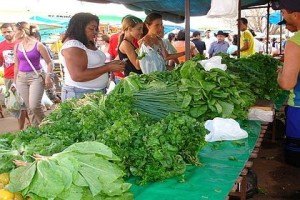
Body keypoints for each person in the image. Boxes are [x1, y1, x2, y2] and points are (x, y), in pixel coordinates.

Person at [60, 12, 125, 101]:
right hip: (80, 94)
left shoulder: (86, 41)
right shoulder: (73, 46)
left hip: (93, 93)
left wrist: (111, 64)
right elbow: (78, 76)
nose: (95, 32)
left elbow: (91, 65)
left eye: (96, 29)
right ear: (79, 28)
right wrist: (108, 67)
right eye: (91, 28)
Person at [13, 22, 53, 127]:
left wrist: (48, 76)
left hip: (35, 77)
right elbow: (16, 65)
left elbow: (49, 62)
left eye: (15, 31)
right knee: (30, 108)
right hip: (21, 78)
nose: (13, 33)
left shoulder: (38, 45)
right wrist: (14, 82)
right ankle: (36, 129)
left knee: (35, 105)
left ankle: (47, 126)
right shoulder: (17, 46)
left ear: (22, 31)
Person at [276, 0, 300, 167]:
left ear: (296, 15)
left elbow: (286, 84)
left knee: (295, 157)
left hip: (299, 107)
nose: (283, 16)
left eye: (283, 12)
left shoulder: (295, 42)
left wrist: (279, 74)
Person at [0, 23, 29, 129]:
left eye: (9, 31)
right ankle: (22, 127)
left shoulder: (21, 43)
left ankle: (24, 126)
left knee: (24, 103)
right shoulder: (1, 46)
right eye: (4, 32)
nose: (6, 34)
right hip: (8, 78)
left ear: (14, 31)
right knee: (15, 104)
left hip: (23, 75)